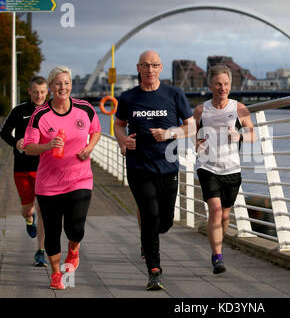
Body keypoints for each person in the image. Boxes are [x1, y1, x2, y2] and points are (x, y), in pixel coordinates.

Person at [114, 50, 195, 291]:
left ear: (161, 68)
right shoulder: (128, 97)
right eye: (145, 65)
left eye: (155, 65)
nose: (150, 70)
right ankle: (154, 271)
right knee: (149, 217)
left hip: (167, 166)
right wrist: (123, 141)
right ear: (139, 68)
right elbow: (119, 125)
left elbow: (190, 126)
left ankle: (148, 240)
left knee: (164, 222)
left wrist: (169, 133)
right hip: (139, 166)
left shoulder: (174, 94)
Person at [23, 65, 101, 290]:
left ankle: (74, 250)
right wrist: (47, 145)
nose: (63, 87)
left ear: (70, 86)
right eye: (58, 84)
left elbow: (95, 130)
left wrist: (90, 147)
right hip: (49, 185)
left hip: (80, 178)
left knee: (76, 227)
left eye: (66, 83)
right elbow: (28, 147)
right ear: (50, 87)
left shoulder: (84, 108)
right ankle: (56, 273)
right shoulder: (40, 115)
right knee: (53, 230)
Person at [193, 65, 256, 274]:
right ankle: (217, 256)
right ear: (210, 85)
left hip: (232, 168)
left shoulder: (239, 108)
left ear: (231, 85)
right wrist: (197, 144)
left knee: (226, 215)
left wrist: (240, 136)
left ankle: (218, 246)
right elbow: (194, 134)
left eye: (226, 84)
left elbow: (252, 134)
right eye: (218, 84)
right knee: (216, 211)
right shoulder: (201, 110)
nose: (223, 88)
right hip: (207, 167)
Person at [0, 76, 48, 267]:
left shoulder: (50, 110)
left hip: (46, 167)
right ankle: (29, 220)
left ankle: (41, 251)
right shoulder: (20, 110)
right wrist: (16, 143)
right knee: (28, 209)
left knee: (44, 210)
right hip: (23, 167)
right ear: (29, 91)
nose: (39, 95)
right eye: (36, 92)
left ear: (47, 92)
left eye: (43, 92)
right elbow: (4, 132)